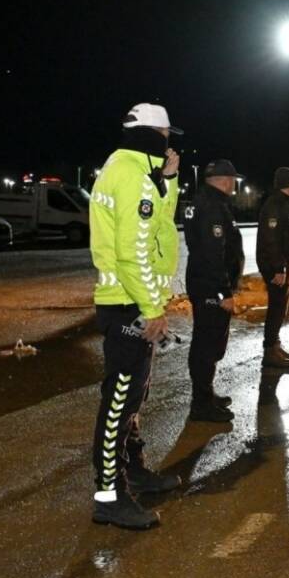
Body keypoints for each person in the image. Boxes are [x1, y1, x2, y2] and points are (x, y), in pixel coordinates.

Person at [88, 103, 183, 529]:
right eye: (166, 136)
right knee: (119, 400)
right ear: (153, 135)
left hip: (132, 299)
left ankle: (135, 469)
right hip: (128, 301)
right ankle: (108, 495)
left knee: (134, 396)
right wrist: (151, 309)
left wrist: (170, 182)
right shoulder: (130, 174)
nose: (170, 144)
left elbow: (161, 226)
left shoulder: (134, 171)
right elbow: (132, 252)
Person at [183, 159, 245, 422]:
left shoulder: (206, 202)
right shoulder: (212, 208)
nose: (235, 185)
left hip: (205, 284)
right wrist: (224, 293)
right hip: (211, 288)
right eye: (233, 181)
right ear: (225, 180)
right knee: (207, 346)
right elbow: (212, 254)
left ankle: (206, 395)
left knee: (208, 344)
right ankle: (201, 404)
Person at [256, 167, 289, 368]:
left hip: (284, 264)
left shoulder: (284, 203)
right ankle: (270, 351)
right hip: (276, 267)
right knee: (276, 308)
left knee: (280, 307)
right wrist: (278, 268)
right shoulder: (275, 205)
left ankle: (275, 345)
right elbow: (271, 240)